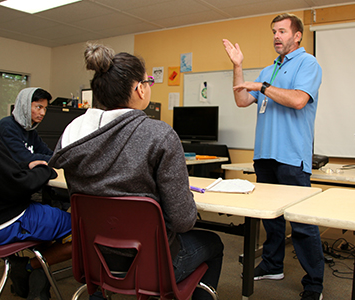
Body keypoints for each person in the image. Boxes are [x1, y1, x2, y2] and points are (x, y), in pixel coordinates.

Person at [49, 43, 224, 300]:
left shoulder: (73, 134)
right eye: (148, 81)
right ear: (139, 88)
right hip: (152, 263)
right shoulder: (160, 135)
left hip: (93, 258)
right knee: (214, 243)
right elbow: (183, 221)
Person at [223, 13, 324, 300]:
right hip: (265, 154)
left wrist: (263, 87)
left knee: (302, 222)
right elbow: (242, 99)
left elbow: (298, 100)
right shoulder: (268, 70)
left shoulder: (308, 63)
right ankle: (272, 265)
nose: (276, 36)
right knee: (272, 219)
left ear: (297, 36)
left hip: (292, 156)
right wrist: (238, 66)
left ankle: (314, 284)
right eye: (274, 32)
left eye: (282, 31)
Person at [0, 54, 72, 300]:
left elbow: (1, 168)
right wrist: (44, 171)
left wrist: (26, 165)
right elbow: (16, 186)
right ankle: (33, 269)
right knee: (80, 224)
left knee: (50, 214)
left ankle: (35, 268)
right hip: (4, 222)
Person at [0, 87, 54, 163]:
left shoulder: (30, 130)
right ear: (25, 106)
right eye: (39, 107)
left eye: (45, 108)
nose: (43, 113)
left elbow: (44, 151)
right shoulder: (7, 126)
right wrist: (54, 160)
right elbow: (24, 158)